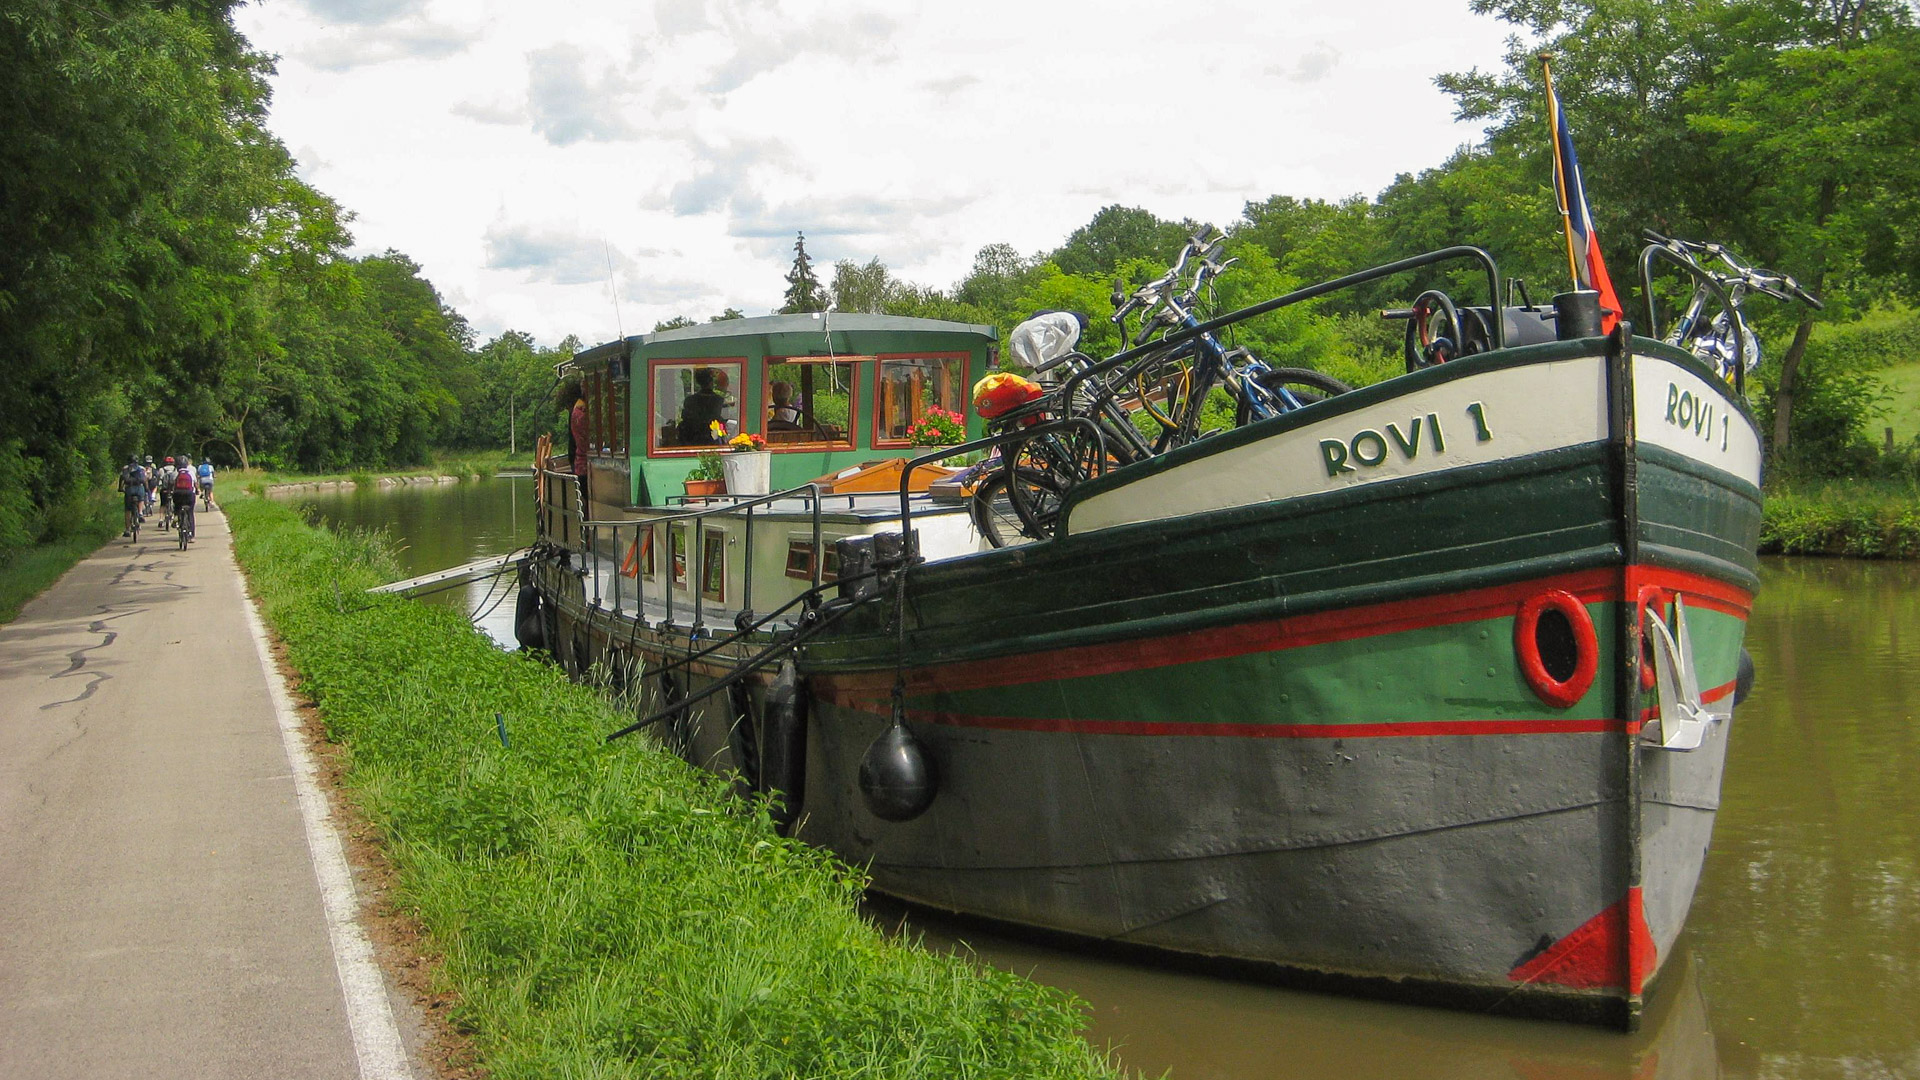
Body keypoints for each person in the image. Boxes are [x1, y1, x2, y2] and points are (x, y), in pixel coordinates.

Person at [676, 367, 727, 444]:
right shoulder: (718, 400)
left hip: (693, 436)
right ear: (711, 382)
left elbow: (685, 417)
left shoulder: (690, 400)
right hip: (709, 436)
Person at [118, 455, 147, 538]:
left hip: (129, 489)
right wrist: (146, 488)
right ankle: (140, 513)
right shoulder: (141, 468)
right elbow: (144, 479)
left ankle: (127, 530)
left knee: (127, 510)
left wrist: (120, 488)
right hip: (139, 488)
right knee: (141, 499)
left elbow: (122, 478)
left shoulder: (125, 468)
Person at [171, 459, 197, 543]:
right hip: (189, 495)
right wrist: (197, 491)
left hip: (178, 494)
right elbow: (195, 484)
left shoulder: (175, 473)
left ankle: (176, 516)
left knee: (177, 506)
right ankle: (191, 535)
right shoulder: (191, 473)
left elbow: (171, 484)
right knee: (190, 513)